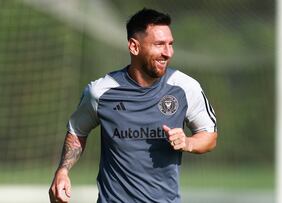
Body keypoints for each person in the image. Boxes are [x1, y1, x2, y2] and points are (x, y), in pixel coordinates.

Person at [49, 8, 218, 203]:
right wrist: (63, 170)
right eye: (159, 44)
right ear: (134, 47)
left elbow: (209, 136)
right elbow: (77, 130)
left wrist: (188, 143)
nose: (168, 52)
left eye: (170, 44)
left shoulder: (185, 87)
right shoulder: (101, 91)